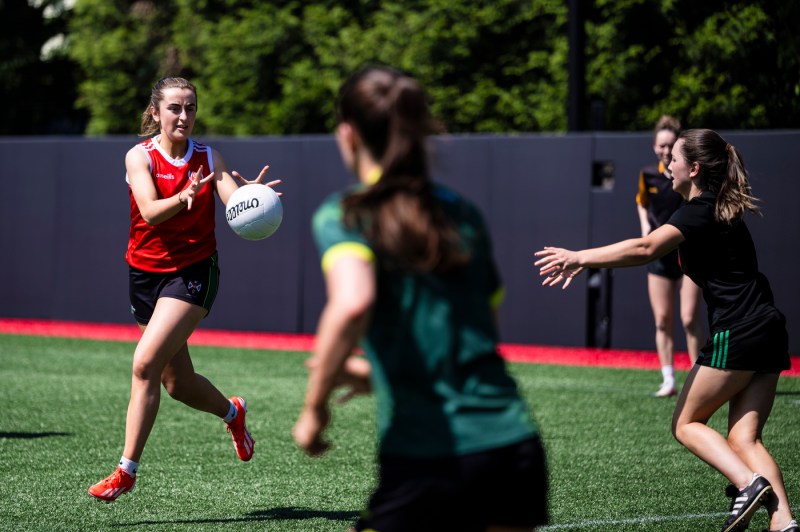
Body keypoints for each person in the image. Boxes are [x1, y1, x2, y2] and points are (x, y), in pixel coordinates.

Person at [292, 66, 548, 532]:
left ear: (348, 136)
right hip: (514, 449)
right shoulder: (461, 212)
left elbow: (352, 302)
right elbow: (476, 331)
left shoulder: (346, 213)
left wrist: (315, 408)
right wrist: (379, 373)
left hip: (429, 462)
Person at [535, 129, 796, 532]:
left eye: (673, 158)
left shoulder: (698, 210)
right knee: (745, 441)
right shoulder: (719, 209)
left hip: (740, 330)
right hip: (768, 327)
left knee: (685, 424)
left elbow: (645, 249)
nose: (666, 165)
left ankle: (749, 483)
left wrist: (579, 257)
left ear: (693, 168)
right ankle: (784, 525)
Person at [88, 76, 282, 502]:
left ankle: (125, 471)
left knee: (144, 365)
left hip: (193, 273)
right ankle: (233, 413)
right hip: (144, 275)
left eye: (190, 107)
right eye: (175, 108)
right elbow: (152, 211)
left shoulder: (208, 156)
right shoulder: (140, 156)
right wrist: (186, 195)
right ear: (156, 113)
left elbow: (232, 198)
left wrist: (252, 199)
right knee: (179, 384)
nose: (184, 116)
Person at [636, 115, 703, 397]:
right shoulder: (648, 175)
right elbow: (641, 202)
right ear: (654, 147)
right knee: (662, 319)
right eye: (661, 146)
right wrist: (645, 231)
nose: (666, 151)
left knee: (688, 318)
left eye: (670, 146)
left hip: (688, 254)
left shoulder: (687, 174)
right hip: (659, 255)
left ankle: (699, 379)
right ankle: (668, 379)